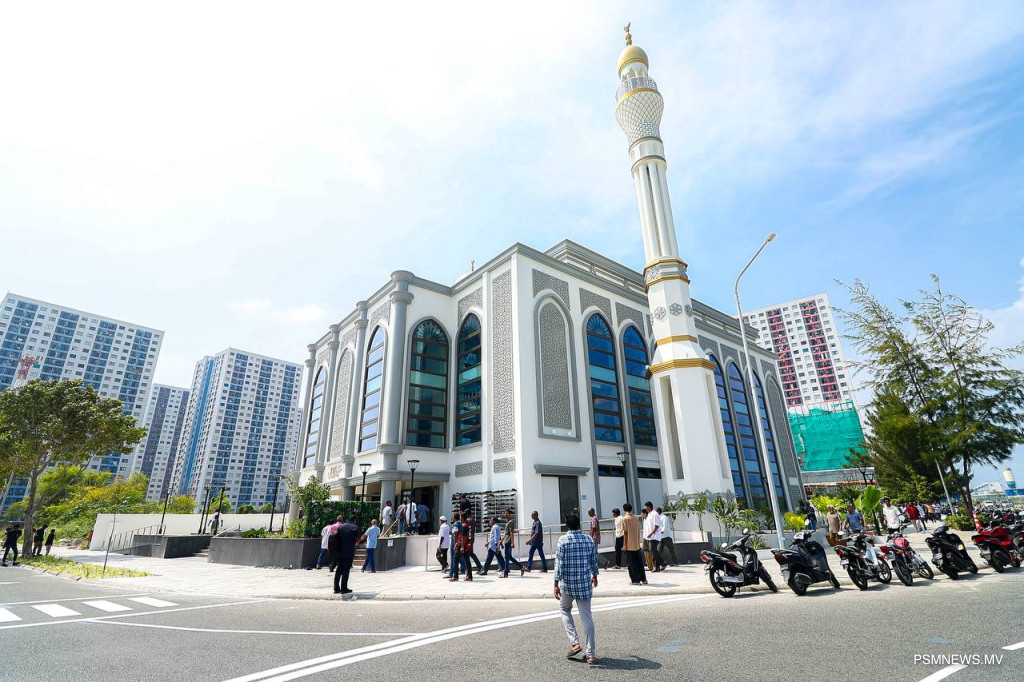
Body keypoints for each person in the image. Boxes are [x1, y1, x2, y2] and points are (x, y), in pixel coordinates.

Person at [554, 512, 599, 665]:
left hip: (568, 585)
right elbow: (593, 561)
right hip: (585, 585)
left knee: (565, 609)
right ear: (579, 524)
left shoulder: (563, 540)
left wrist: (555, 584)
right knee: (587, 617)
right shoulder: (588, 540)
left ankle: (574, 643)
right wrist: (595, 576)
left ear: (567, 525)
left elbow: (559, 565)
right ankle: (591, 654)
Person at [329, 515, 361, 595]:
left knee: (339, 570)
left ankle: (336, 588)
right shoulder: (354, 527)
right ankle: (344, 588)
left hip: (340, 551)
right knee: (346, 570)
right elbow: (358, 539)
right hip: (349, 551)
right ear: (354, 520)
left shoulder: (341, 527)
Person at [621, 504, 646, 585]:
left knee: (631, 563)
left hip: (629, 545)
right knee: (639, 562)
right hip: (637, 544)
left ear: (624, 510)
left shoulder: (625, 519)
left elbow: (625, 532)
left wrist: (624, 545)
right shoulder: (636, 518)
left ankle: (635, 580)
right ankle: (643, 579)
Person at [502, 508, 526, 577]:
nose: (505, 514)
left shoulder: (511, 522)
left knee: (507, 557)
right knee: (509, 557)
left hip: (508, 541)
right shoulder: (507, 523)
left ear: (510, 514)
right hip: (506, 541)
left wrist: (512, 542)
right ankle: (521, 567)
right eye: (505, 513)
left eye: (507, 513)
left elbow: (511, 533)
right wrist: (501, 540)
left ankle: (505, 573)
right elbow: (505, 533)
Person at [643, 503, 665, 572]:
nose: (645, 508)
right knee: (654, 551)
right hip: (650, 537)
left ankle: (663, 563)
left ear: (649, 507)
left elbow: (657, 525)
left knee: (652, 550)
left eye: (646, 506)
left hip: (655, 536)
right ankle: (657, 567)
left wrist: (651, 533)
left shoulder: (655, 514)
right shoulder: (649, 514)